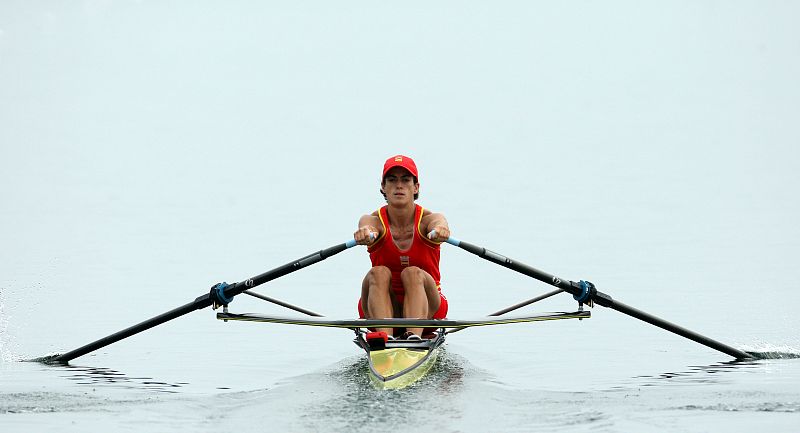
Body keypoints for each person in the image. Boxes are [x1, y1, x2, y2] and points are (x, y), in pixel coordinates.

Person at [354, 155, 450, 340]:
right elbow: (367, 227)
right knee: (377, 272)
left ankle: (413, 337)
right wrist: (365, 233)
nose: (399, 185)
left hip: (428, 306)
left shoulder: (429, 220)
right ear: (383, 187)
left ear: (416, 187)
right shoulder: (372, 221)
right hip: (381, 304)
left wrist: (441, 230)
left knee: (412, 273)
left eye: (405, 180)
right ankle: (385, 338)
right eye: (392, 180)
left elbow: (440, 222)